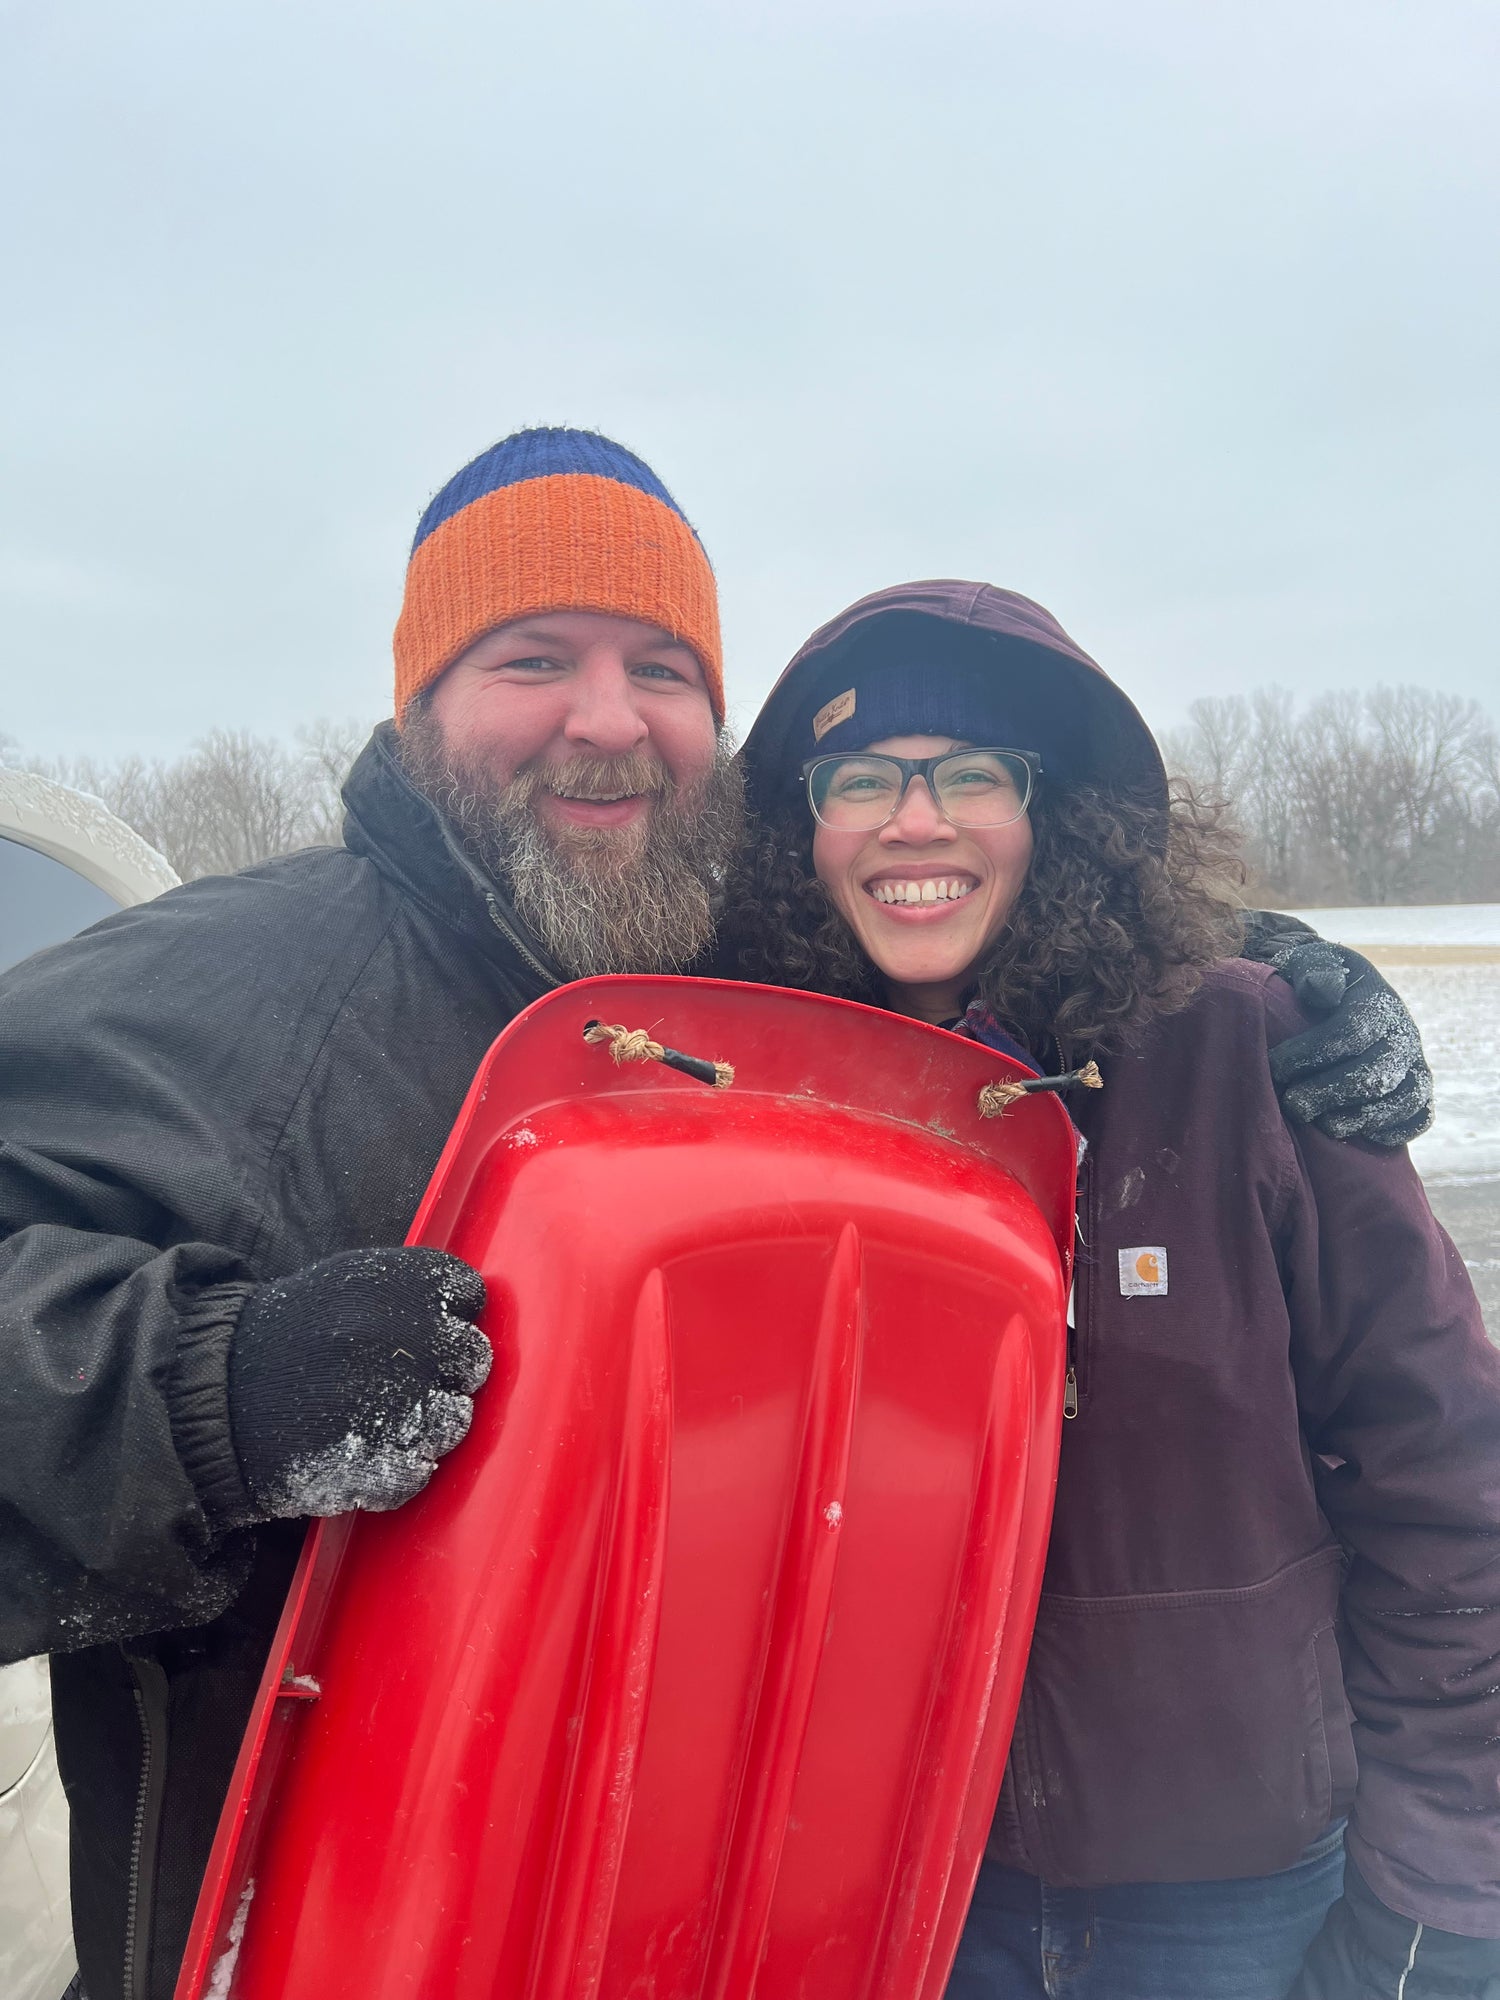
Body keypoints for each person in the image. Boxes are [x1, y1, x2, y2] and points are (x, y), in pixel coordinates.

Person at [0, 434, 1429, 2000]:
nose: (606, 720)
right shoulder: (225, 993)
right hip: (322, 1924)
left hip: (734, 1905)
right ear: (419, 701)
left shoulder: (725, 979)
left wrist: (1241, 967)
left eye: (663, 669)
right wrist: (215, 1395)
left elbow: (973, 910)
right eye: (533, 656)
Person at [724, 579, 1500, 2000]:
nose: (916, 821)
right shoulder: (756, 1094)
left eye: (972, 774)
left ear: (1060, 812)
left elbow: (1448, 1483)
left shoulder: (1247, 1053)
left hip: (1224, 1892)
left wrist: (1446, 1897)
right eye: (859, 780)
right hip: (888, 1869)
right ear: (800, 826)